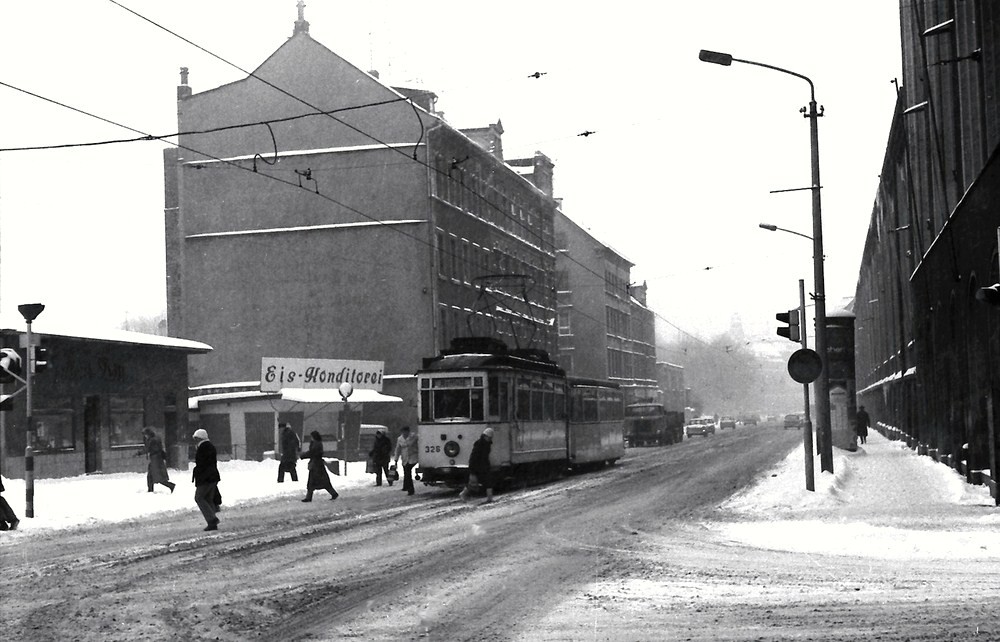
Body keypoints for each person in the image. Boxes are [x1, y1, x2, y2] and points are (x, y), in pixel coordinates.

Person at [191, 428, 221, 531]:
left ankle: (212, 519)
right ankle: (212, 523)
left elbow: (203, 464)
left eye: (196, 438)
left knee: (199, 497)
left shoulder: (203, 447)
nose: (195, 440)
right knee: (208, 498)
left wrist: (199, 473)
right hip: (212, 476)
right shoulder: (209, 446)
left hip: (206, 477)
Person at [300, 431, 338, 502]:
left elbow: (312, 453)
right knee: (323, 482)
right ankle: (333, 493)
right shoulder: (316, 443)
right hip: (317, 465)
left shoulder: (316, 444)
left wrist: (303, 455)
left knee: (313, 482)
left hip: (316, 466)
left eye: (311, 437)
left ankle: (309, 498)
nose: (311, 438)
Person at [460, 427, 494, 504]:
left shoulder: (485, 444)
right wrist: (472, 470)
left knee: (487, 481)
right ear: (485, 436)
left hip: (483, 467)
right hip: (477, 467)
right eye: (489, 437)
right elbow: (474, 457)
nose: (490, 439)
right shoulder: (479, 445)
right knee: (474, 484)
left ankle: (490, 497)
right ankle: (463, 494)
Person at [140, 427, 176, 493]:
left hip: (155, 460)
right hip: (156, 459)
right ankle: (150, 490)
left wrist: (139, 453)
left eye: (145, 435)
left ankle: (171, 485)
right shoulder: (156, 439)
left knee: (158, 477)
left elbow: (148, 449)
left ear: (148, 434)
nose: (145, 436)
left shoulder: (152, 440)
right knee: (150, 476)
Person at [394, 425, 419, 496]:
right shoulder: (400, 439)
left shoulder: (414, 437)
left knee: (408, 472)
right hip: (405, 458)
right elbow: (397, 450)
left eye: (406, 432)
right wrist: (396, 460)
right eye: (403, 432)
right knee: (406, 472)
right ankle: (406, 487)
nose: (404, 433)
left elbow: (420, 444)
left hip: (413, 457)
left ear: (408, 431)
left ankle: (410, 490)